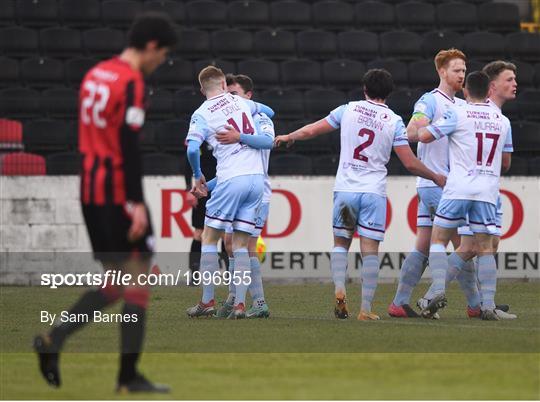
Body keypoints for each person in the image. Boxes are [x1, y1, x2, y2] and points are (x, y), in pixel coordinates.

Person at [33, 13, 177, 393]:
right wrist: (138, 203)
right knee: (139, 278)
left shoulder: (96, 74)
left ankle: (55, 340)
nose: (160, 63)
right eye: (162, 56)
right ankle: (127, 378)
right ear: (150, 47)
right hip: (116, 192)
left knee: (117, 281)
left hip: (90, 189)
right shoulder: (131, 82)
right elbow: (128, 145)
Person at [275, 69, 446, 320]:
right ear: (388, 93)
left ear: (364, 88)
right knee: (369, 251)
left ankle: (340, 290)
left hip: (346, 189)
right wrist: (435, 176)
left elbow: (314, 129)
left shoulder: (349, 109)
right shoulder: (394, 120)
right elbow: (409, 163)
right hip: (373, 193)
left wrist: (290, 136)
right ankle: (365, 309)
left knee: (341, 244)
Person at [417, 61, 517, 319]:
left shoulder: (457, 113)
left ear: (465, 92)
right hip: (487, 192)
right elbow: (506, 163)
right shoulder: (502, 120)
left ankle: (437, 290)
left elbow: (425, 136)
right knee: (485, 248)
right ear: (489, 91)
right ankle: (487, 306)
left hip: (457, 188)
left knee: (438, 240)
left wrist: (420, 128)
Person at [185, 66, 274, 319]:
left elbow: (193, 149)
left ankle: (207, 301)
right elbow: (268, 111)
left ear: (202, 89)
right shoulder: (240, 101)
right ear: (224, 84)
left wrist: (197, 174)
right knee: (240, 245)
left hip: (231, 179)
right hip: (256, 180)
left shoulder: (202, 112)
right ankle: (240, 305)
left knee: (209, 239)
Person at [388, 49, 467, 318]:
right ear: (442, 72)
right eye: (456, 70)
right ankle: (476, 304)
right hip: (437, 184)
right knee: (464, 244)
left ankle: (399, 302)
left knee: (423, 245)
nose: (461, 75)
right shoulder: (431, 101)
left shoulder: (463, 105)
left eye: (464, 71)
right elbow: (411, 132)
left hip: (440, 185)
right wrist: (426, 127)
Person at [213, 73, 273, 319]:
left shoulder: (260, 117)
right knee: (230, 244)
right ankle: (232, 297)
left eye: (235, 94)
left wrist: (239, 137)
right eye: (228, 95)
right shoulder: (231, 122)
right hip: (237, 189)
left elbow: (268, 141)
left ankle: (258, 302)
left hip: (258, 192)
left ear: (249, 96)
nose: (230, 100)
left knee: (246, 246)